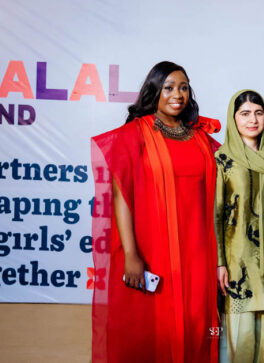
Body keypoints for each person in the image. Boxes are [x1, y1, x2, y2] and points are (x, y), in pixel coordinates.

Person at [90, 61, 221, 363]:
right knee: (151, 328)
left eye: (184, 88)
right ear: (154, 91)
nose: (178, 94)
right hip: (153, 249)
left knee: (196, 324)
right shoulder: (134, 134)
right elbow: (122, 197)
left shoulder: (200, 137)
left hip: (197, 250)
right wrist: (131, 254)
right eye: (169, 87)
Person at [214, 90, 264, 363]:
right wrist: (220, 262)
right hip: (237, 263)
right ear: (233, 118)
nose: (253, 120)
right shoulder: (223, 159)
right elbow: (216, 215)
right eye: (244, 114)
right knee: (240, 343)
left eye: (258, 112)